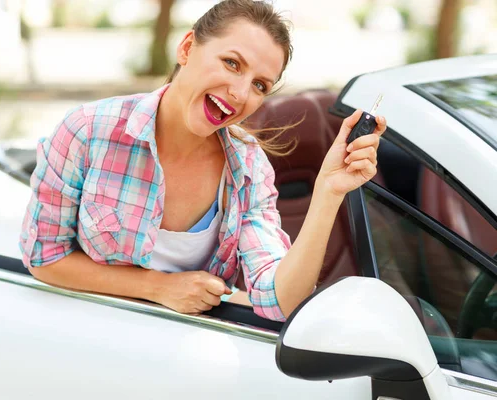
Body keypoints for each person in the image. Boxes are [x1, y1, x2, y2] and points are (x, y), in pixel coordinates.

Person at [19, 0, 386, 322]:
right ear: (188, 47)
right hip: (88, 336)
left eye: (260, 85)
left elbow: (280, 302)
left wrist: (329, 192)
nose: (240, 93)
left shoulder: (248, 169)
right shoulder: (88, 131)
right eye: (231, 63)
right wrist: (158, 287)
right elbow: (44, 256)